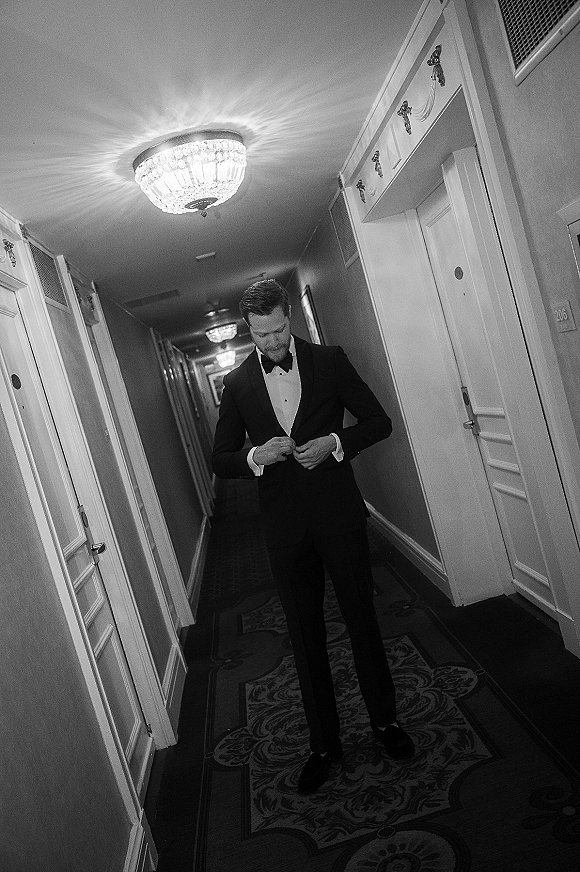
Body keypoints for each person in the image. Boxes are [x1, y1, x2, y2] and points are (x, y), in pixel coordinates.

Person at [212, 279, 414, 793]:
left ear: (288, 318)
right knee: (304, 637)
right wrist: (256, 457)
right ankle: (324, 744)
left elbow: (379, 421)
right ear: (248, 331)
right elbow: (221, 459)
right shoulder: (236, 387)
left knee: (362, 622)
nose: (273, 342)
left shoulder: (330, 361)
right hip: (283, 528)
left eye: (279, 329)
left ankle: (385, 723)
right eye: (262, 335)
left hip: (339, 515)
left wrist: (334, 441)